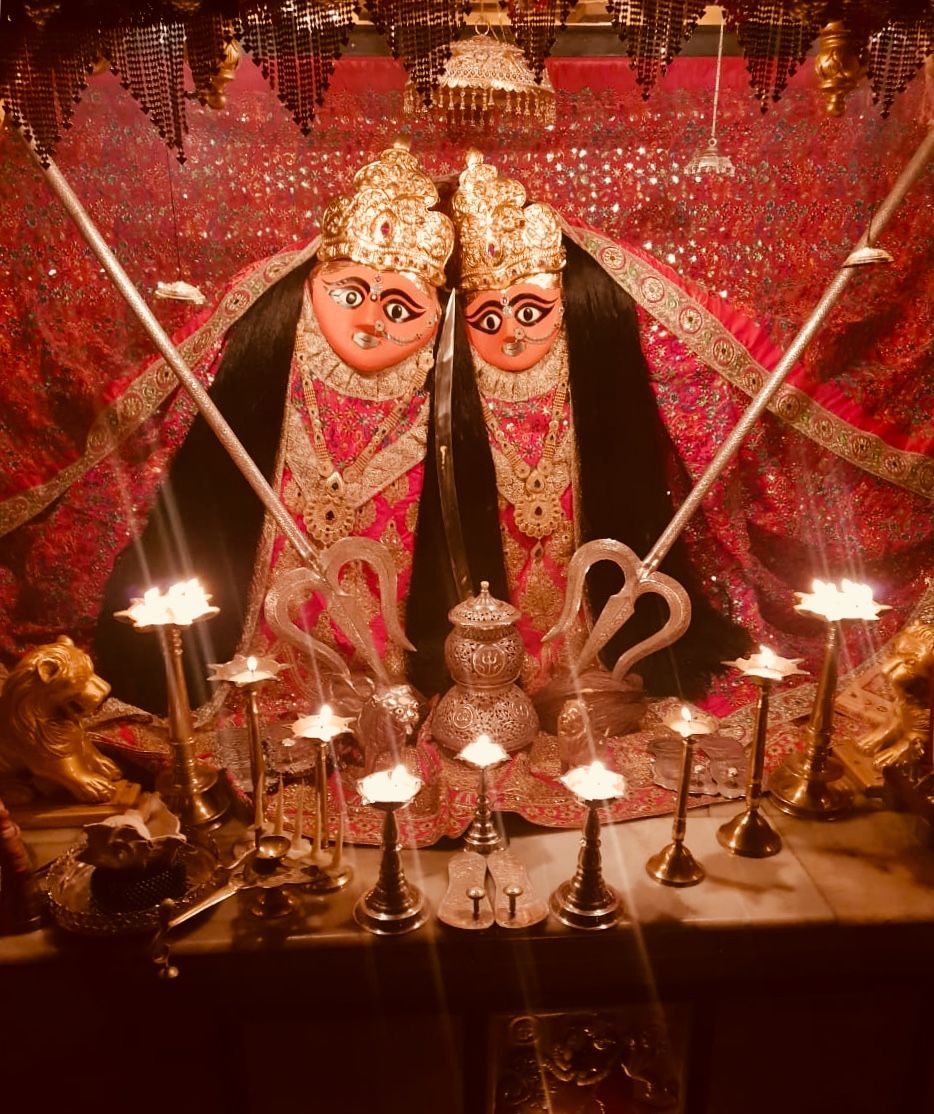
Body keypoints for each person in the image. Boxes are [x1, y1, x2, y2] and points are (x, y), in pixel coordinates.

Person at [93, 142, 454, 714]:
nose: (367, 322)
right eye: (350, 294)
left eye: (399, 308)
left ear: (435, 315)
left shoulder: (444, 389)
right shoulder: (273, 358)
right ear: (313, 285)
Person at [407, 151, 747, 703]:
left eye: (532, 312)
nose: (512, 336)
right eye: (489, 320)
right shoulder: (454, 398)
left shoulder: (589, 383)